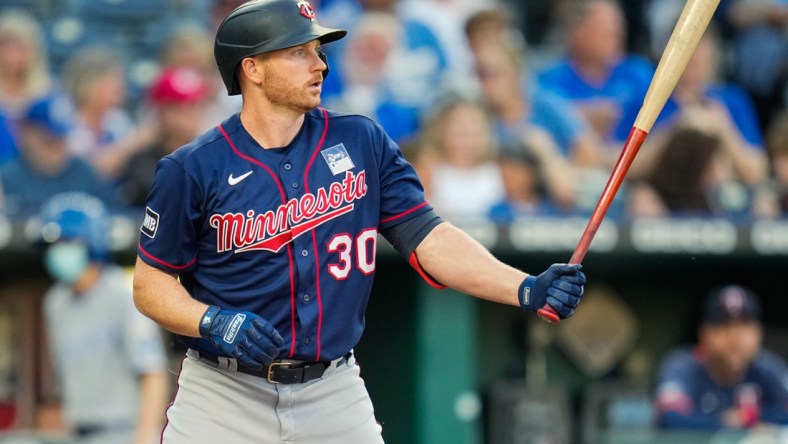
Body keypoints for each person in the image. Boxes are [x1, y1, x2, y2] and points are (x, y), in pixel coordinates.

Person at [131, 1, 586, 442]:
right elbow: (150, 284)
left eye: (319, 51)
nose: (320, 65)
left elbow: (427, 236)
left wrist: (524, 287)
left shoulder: (361, 140)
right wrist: (212, 320)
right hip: (223, 394)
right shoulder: (193, 167)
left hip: (332, 388)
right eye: (299, 52)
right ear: (252, 69)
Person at [38, 192, 169, 444]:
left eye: (64, 242)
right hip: (78, 432)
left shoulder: (123, 293)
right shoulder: (54, 303)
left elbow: (152, 374)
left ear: (91, 241)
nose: (56, 252)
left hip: (124, 431)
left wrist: (145, 437)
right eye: (51, 246)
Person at [655, 285, 788, 430]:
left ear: (759, 333)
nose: (735, 337)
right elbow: (670, 418)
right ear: (704, 333)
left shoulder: (768, 367)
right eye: (724, 326)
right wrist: (723, 422)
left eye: (745, 325)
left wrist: (748, 417)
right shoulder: (683, 366)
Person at [536, 0, 655, 160]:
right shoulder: (551, 79)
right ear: (576, 33)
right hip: (576, 166)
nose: (616, 34)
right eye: (603, 29)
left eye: (618, 27)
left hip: (635, 159)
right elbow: (537, 120)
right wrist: (579, 116)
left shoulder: (638, 72)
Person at [0, 94, 115, 216]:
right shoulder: (8, 177)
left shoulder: (83, 172)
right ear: (27, 134)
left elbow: (113, 215)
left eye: (61, 140)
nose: (56, 148)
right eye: (48, 140)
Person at [118, 67, 209, 208]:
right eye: (178, 107)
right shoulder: (143, 158)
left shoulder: (211, 154)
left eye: (195, 105)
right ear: (161, 111)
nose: (191, 114)